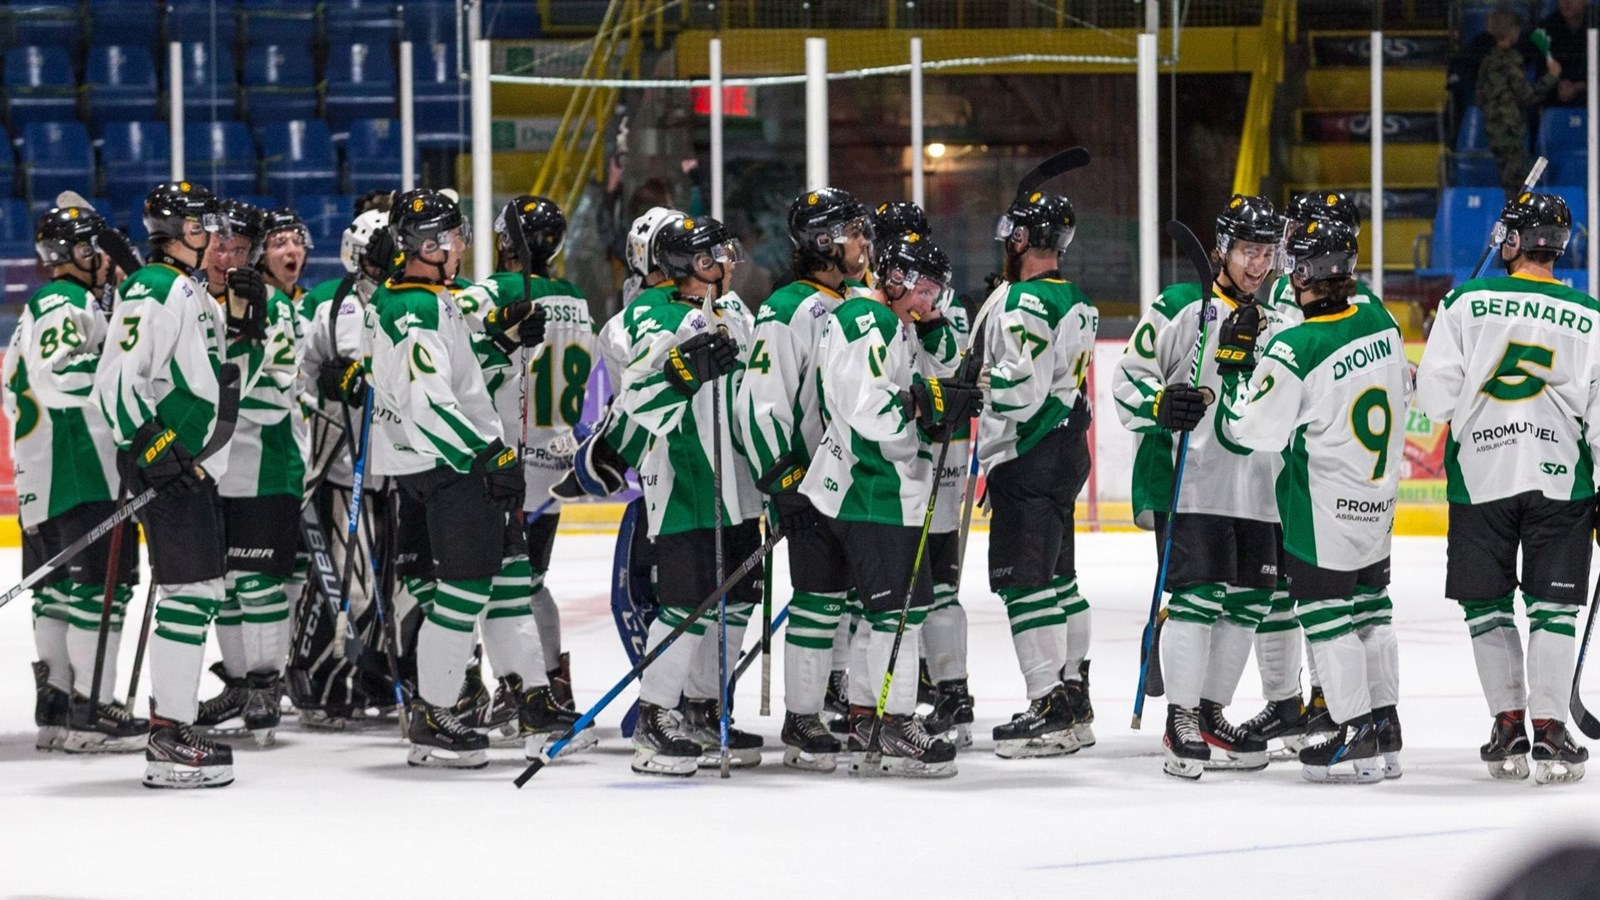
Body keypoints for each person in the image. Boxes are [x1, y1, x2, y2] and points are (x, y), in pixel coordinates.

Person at [365, 189, 586, 768]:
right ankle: (433, 714)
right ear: (431, 246)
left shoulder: (435, 299)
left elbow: (464, 378)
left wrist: (502, 342)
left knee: (511, 585)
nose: (465, 244)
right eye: (456, 236)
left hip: (465, 462)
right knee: (462, 594)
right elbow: (429, 404)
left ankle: (533, 697)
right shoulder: (410, 308)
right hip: (449, 467)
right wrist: (486, 455)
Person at [1415, 191, 1596, 785]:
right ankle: (1549, 728)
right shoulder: (1591, 315)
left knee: (1485, 606)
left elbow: (1436, 401)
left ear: (1514, 243)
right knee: (1554, 608)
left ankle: (1508, 723)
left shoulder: (1464, 302)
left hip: (1482, 478)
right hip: (1561, 479)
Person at [1223, 219, 1409, 783]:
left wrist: (1235, 371)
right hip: (1378, 504)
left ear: (1303, 273)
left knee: (1328, 622)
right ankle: (1386, 725)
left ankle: (1353, 729)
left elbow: (1252, 433)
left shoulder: (1295, 345)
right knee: (1374, 612)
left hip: (1322, 507)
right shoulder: (1382, 319)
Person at [1112, 194, 1284, 780]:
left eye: (1267, 252)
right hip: (1192, 481)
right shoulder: (1181, 305)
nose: (1257, 264)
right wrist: (1160, 404)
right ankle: (1180, 716)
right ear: (1222, 248)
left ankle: (1210, 710)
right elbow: (1126, 381)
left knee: (1250, 599)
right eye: (1247, 251)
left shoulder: (1280, 319)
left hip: (1260, 485)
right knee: (1198, 598)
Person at [799, 232, 981, 778]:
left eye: (936, 291)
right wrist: (928, 402)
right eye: (924, 288)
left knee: (888, 611)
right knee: (899, 611)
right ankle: (894, 720)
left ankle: (866, 714)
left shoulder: (888, 323)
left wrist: (932, 398)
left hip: (883, 487)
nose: (929, 302)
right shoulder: (868, 321)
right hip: (873, 488)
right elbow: (866, 406)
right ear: (896, 278)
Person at [94, 180, 236, 788]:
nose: (213, 236)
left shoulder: (187, 288)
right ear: (180, 232)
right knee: (189, 592)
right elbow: (116, 381)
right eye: (204, 225)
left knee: (198, 589)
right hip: (166, 460)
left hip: (185, 462)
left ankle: (171, 726)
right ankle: (168, 735)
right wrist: (154, 448)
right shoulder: (154, 287)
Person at [615, 214, 763, 775]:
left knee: (739, 597)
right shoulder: (652, 315)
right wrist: (681, 371)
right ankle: (655, 716)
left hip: (742, 481)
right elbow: (636, 403)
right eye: (712, 257)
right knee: (685, 603)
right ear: (685, 266)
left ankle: (703, 707)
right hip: (685, 478)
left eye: (725, 254)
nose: (725, 264)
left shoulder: (737, 312)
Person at [736, 187, 873, 772]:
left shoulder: (861, 302)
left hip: (860, 481)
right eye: (852, 232)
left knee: (853, 603)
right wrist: (785, 481)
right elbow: (759, 404)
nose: (864, 243)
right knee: (818, 602)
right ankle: (802, 716)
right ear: (823, 242)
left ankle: (835, 695)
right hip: (812, 481)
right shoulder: (788, 308)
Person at [5, 204, 146, 753]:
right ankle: (93, 712)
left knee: (56, 594)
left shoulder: (44, 306)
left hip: (44, 470)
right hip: (81, 467)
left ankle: (59, 706)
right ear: (81, 254)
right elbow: (56, 373)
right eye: (98, 248)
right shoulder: (65, 301)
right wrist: (119, 371)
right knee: (99, 591)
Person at [454, 195, 595, 723]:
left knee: (488, 582)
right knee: (533, 581)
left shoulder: (495, 291)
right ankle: (553, 687)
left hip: (509, 459)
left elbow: (456, 333)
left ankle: (507, 689)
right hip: (558, 458)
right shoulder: (578, 298)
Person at [980, 189, 1099, 758]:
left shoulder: (1025, 302)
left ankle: (1047, 703)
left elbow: (1020, 391)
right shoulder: (1076, 297)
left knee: (1024, 584)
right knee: (1058, 581)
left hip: (1028, 452)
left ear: (1024, 240)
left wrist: (971, 385)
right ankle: (1074, 699)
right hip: (1067, 449)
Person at [190, 199, 304, 747]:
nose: (226, 254)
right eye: (220, 244)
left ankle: (264, 682)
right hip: (212, 466)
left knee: (259, 583)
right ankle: (238, 682)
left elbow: (275, 398)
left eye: (238, 247)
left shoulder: (274, 309)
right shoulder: (193, 301)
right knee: (224, 586)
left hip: (264, 462)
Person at [869, 200, 978, 748]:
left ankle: (939, 690)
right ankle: (948, 689)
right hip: (934, 454)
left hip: (922, 456)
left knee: (918, 587)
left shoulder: (920, 300)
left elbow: (950, 367)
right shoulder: (933, 295)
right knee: (935, 586)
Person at [291, 207, 398, 729]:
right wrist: (325, 393)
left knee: (396, 587)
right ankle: (316, 676)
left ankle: (376, 677)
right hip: (344, 464)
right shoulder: (334, 307)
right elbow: (302, 377)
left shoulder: (417, 302)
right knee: (348, 585)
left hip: (403, 467)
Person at [1477, 6, 1562, 197]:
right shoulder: (1512, 59)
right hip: (1510, 130)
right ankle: (1514, 222)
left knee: (1508, 179)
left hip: (1492, 129)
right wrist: (1552, 77)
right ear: (1513, 30)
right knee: (1516, 186)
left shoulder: (1487, 60)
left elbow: (1480, 97)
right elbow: (1527, 96)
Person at [1538, 0, 1589, 107]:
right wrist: (1561, 85)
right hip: (1557, 91)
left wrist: (1579, 86)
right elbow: (1541, 67)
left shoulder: (1595, 20)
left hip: (1590, 89)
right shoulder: (1546, 27)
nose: (1566, 2)